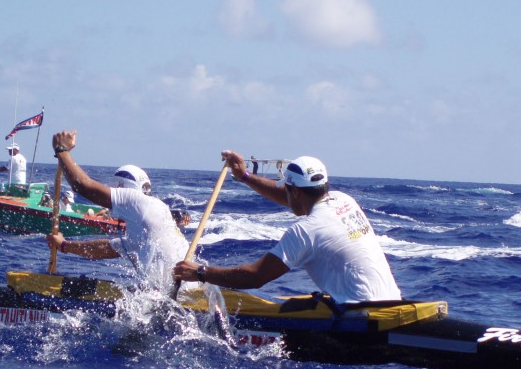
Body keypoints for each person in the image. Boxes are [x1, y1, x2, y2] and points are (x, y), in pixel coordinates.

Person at [174, 152, 401, 305]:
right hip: (392, 303)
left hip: (359, 318)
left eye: (288, 189)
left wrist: (200, 273)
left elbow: (255, 277)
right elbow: (288, 196)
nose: (285, 194)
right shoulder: (344, 201)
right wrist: (243, 176)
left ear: (298, 192)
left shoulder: (305, 231)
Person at [45, 130, 189, 291]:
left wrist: (61, 150)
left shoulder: (137, 201)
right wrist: (64, 245)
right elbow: (104, 249)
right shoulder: (145, 222)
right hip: (179, 292)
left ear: (122, 188)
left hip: (180, 296)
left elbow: (82, 186)